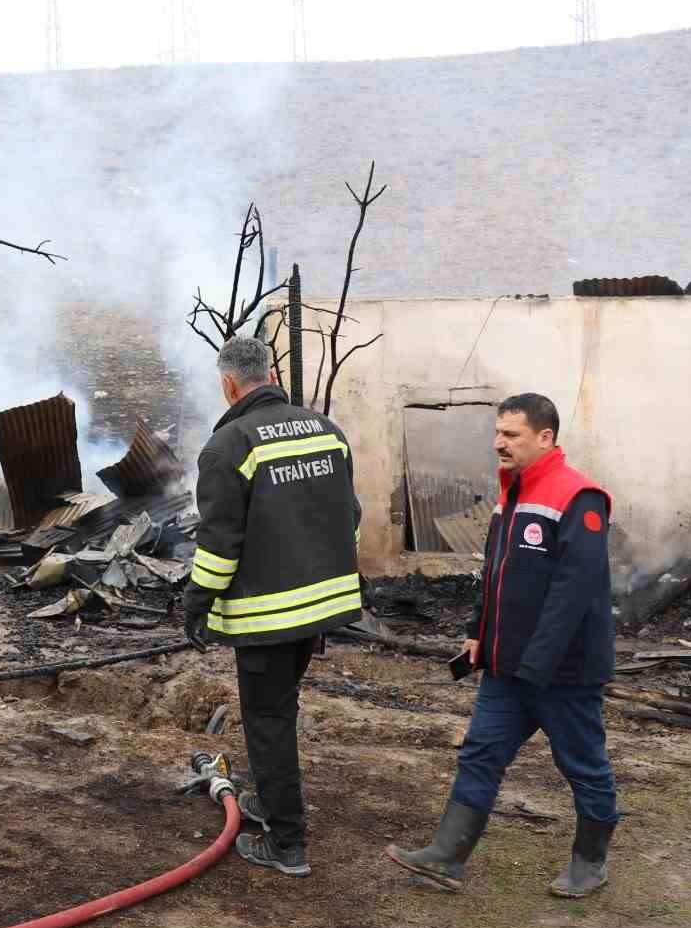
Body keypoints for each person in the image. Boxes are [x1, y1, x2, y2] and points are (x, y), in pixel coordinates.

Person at [384, 392, 618, 898]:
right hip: (505, 666)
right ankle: (447, 857)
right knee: (480, 754)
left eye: (511, 435)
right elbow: (493, 574)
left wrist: (536, 664)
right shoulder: (510, 492)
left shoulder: (580, 497)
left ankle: (590, 863)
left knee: (582, 763)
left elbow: (572, 593)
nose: (498, 443)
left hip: (565, 673)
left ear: (545, 437)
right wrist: (478, 631)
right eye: (497, 433)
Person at [183, 336, 363, 877]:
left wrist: (195, 602)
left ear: (229, 384)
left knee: (268, 721)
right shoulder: (326, 432)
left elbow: (218, 546)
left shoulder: (228, 446)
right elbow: (348, 517)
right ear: (269, 373)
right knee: (279, 710)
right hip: (321, 608)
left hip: (267, 617)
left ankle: (287, 843)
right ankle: (267, 800)